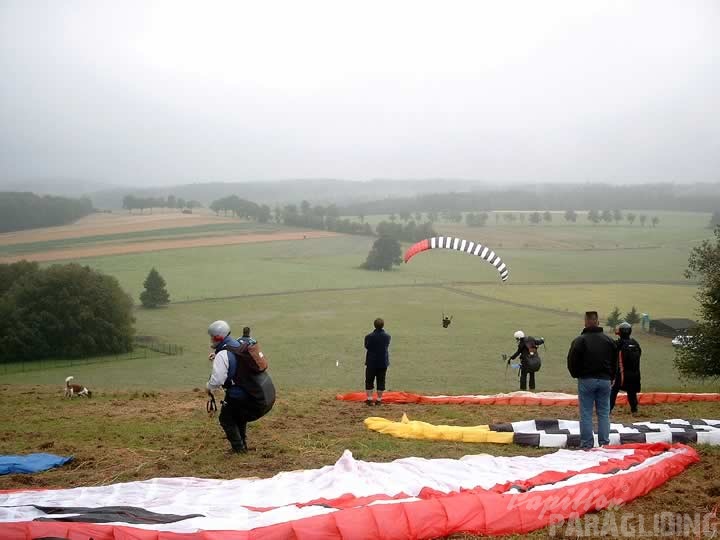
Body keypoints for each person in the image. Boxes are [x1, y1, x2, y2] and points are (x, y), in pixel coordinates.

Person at [206, 320, 275, 453]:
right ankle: (242, 445)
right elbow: (234, 358)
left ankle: (239, 449)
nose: (211, 339)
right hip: (253, 392)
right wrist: (217, 356)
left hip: (240, 395)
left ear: (218, 337)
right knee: (238, 416)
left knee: (226, 419)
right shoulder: (237, 343)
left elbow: (217, 380)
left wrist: (209, 387)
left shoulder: (223, 354)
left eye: (212, 336)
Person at [567, 311, 617, 448]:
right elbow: (615, 361)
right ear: (598, 322)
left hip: (586, 380)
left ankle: (587, 444)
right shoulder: (609, 341)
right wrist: (612, 376)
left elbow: (571, 360)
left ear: (585, 322)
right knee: (604, 413)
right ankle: (604, 443)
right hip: (605, 380)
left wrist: (576, 374)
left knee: (586, 413)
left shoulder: (579, 341)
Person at [610, 322, 642, 415]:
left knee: (614, 390)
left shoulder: (618, 344)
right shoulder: (635, 343)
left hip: (622, 373)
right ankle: (634, 410)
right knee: (631, 392)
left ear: (620, 332)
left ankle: (608, 410)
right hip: (634, 374)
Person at [364, 318, 391, 406]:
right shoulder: (387, 336)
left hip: (371, 362)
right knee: (381, 380)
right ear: (383, 325)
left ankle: (369, 399)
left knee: (369, 380)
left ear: (374, 325)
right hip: (383, 362)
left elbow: (366, 346)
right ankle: (379, 400)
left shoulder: (368, 337)